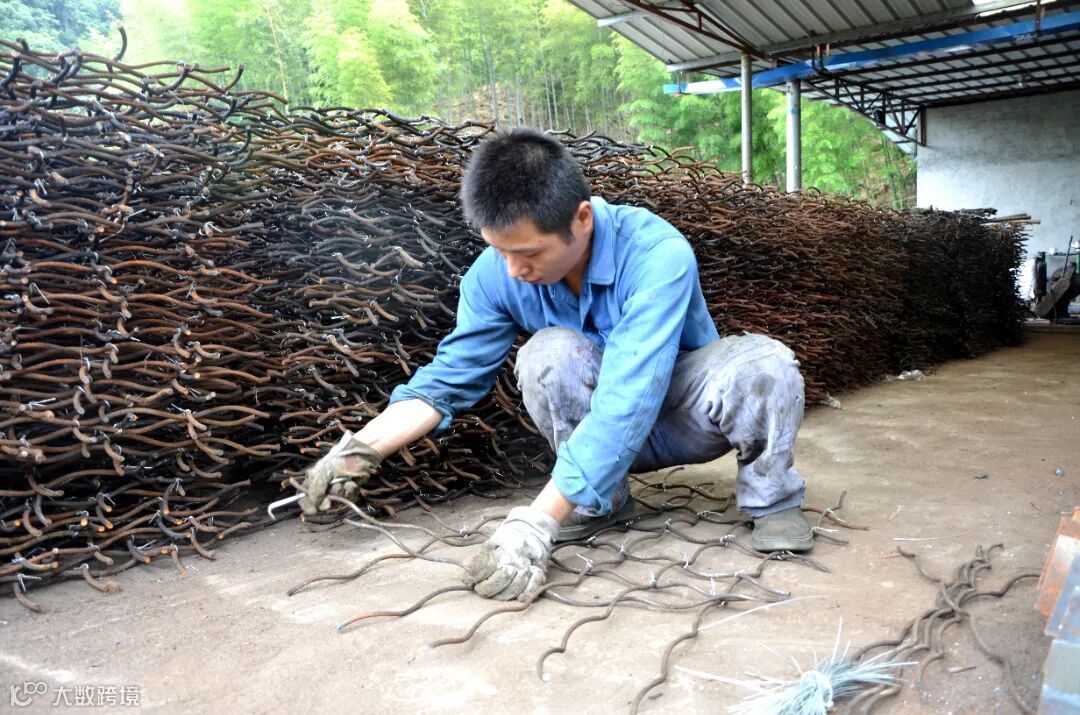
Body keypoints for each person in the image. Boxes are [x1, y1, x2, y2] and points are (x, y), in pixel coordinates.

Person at [296, 128, 813, 602]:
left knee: (764, 364)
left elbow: (630, 396)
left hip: (682, 419)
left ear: (581, 219)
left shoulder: (656, 252)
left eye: (528, 253)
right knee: (547, 352)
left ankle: (772, 499)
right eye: (499, 251)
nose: (514, 270)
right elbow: (449, 378)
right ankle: (597, 502)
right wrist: (357, 453)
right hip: (598, 431)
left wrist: (534, 522)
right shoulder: (498, 274)